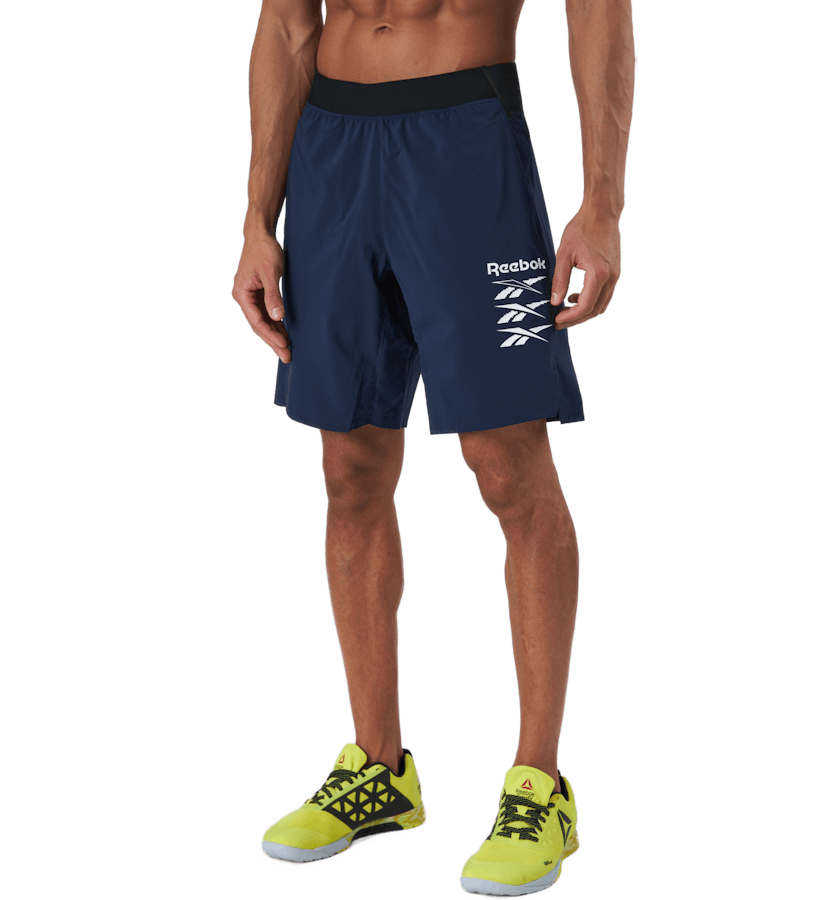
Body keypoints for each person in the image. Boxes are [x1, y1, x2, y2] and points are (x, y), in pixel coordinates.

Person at [232, 1, 635, 894]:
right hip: (332, 148)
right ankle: (379, 770)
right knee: (349, 469)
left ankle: (540, 786)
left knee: (507, 467)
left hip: (465, 140)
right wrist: (258, 217)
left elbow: (599, 12)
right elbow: (288, 25)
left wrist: (602, 203)